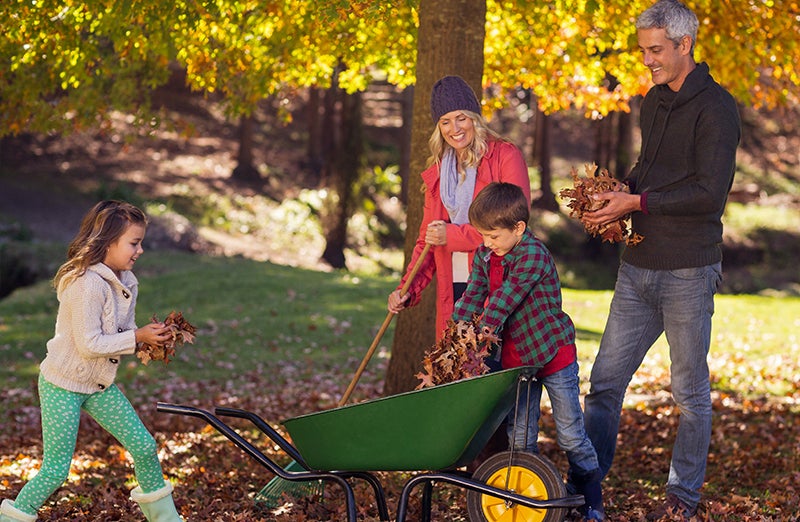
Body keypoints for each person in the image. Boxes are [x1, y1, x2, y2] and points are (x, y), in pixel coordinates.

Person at [579, 0, 741, 519]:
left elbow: (708, 193)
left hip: (689, 271)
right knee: (604, 382)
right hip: (638, 268)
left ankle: (682, 498)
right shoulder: (653, 102)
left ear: (684, 45)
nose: (647, 60)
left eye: (655, 50)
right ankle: (587, 491)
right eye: (643, 50)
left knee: (689, 393)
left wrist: (637, 202)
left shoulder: (717, 108)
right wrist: (616, 197)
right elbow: (649, 170)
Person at [0, 201, 184, 522]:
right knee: (56, 471)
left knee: (143, 446)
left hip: (98, 385)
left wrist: (152, 339)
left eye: (141, 242)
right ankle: (14, 517)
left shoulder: (127, 280)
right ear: (107, 242)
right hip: (63, 385)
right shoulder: (86, 283)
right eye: (134, 242)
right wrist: (138, 337)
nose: (140, 250)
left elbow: (123, 332)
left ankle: (167, 520)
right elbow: (90, 344)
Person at [452, 182, 604, 521]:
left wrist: (479, 335)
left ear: (518, 228)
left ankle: (590, 499)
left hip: (552, 355)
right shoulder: (485, 255)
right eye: (482, 236)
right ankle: (529, 504)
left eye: (493, 236)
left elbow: (505, 299)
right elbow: (474, 295)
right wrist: (456, 332)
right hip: (518, 362)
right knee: (519, 438)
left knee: (571, 435)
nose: (486, 243)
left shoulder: (532, 255)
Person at [387, 75, 531, 339]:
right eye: (445, 121)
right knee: (459, 369)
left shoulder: (505, 157)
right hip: (454, 283)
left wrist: (451, 236)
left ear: (474, 117)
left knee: (493, 367)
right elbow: (428, 239)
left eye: (461, 118)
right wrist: (408, 289)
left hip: (499, 283)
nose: (455, 128)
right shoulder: (440, 172)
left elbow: (514, 224)